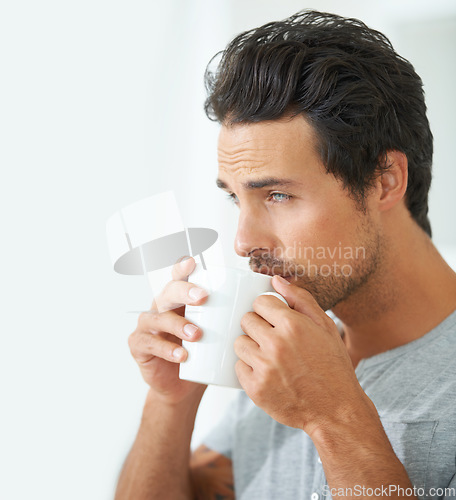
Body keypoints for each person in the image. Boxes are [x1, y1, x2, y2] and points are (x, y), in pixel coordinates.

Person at [115, 10, 456, 500]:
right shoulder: (285, 354)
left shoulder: (307, 374)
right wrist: (171, 401)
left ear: (385, 180)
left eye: (276, 195)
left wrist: (332, 416)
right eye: (236, 197)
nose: (242, 241)